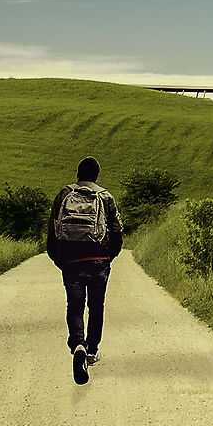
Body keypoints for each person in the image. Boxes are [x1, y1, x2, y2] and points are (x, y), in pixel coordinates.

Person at [44, 157, 125, 385]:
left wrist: (59, 259)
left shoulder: (64, 194)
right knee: (96, 305)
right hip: (98, 259)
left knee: (75, 305)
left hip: (71, 259)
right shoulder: (105, 196)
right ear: (97, 175)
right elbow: (117, 230)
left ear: (78, 173)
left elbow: (52, 229)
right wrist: (109, 256)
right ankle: (92, 349)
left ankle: (78, 343)